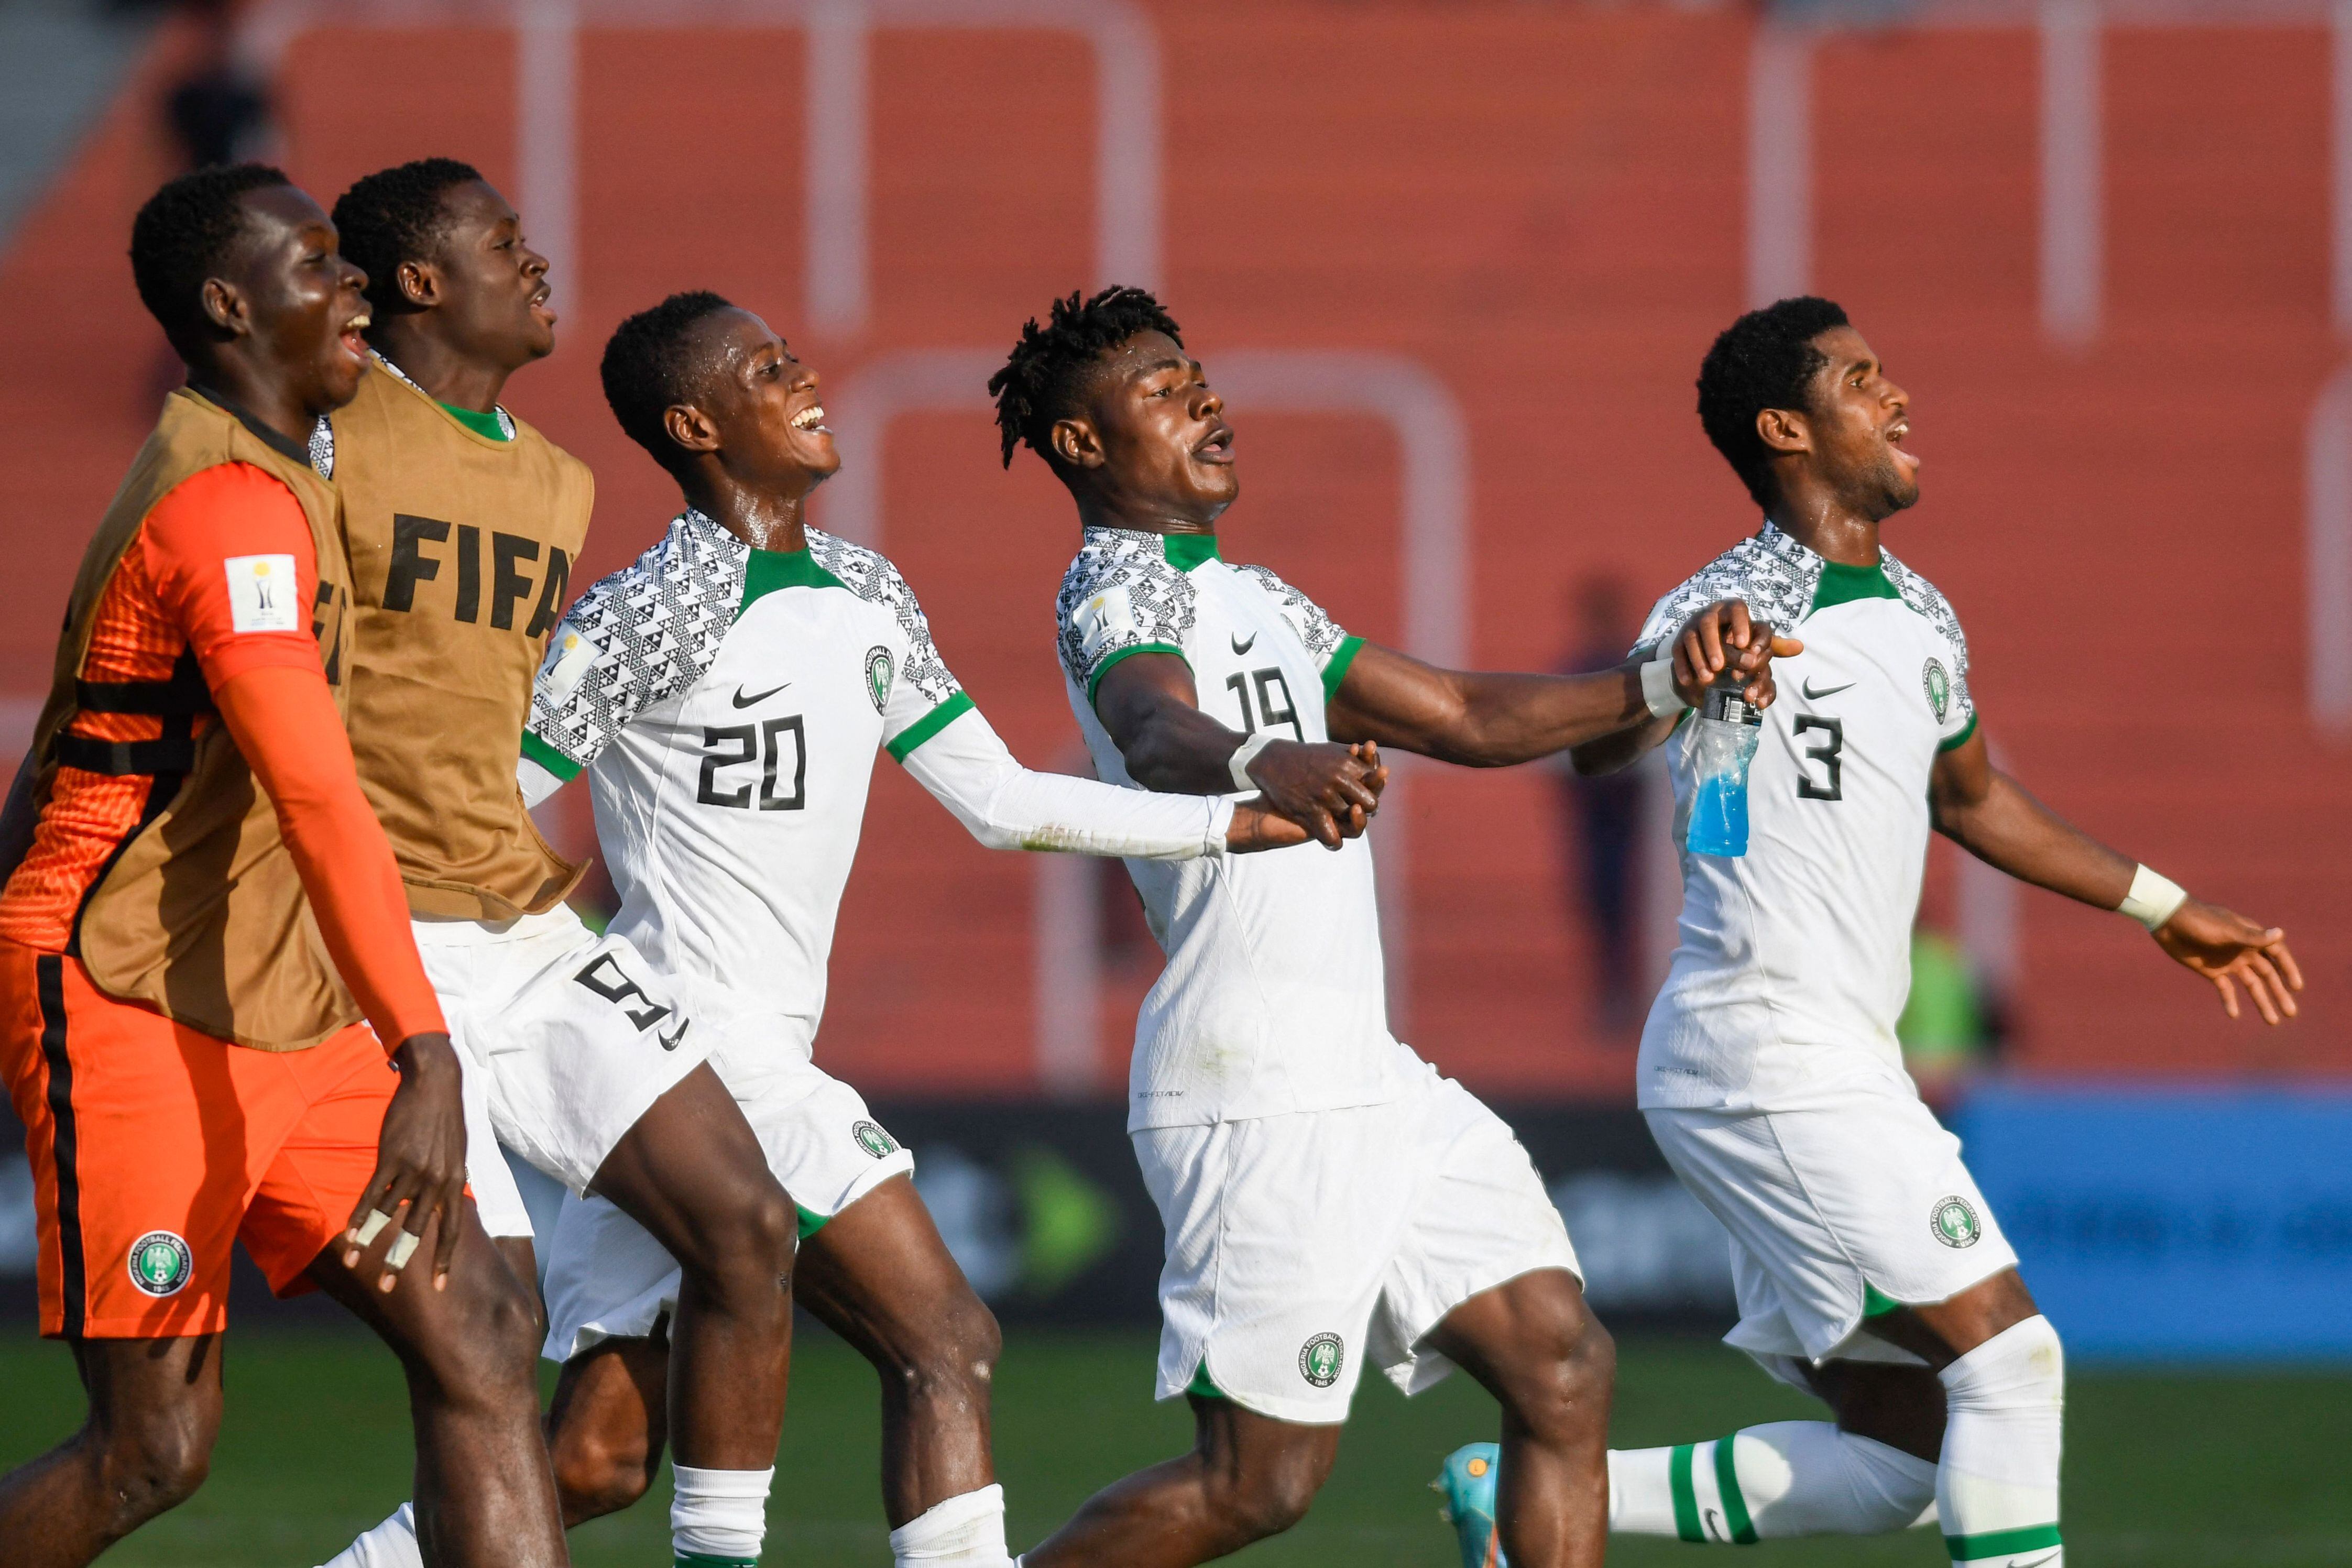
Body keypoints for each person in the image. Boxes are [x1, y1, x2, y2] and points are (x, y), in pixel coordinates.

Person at [510, 290, 1341, 1568]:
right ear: (694, 423)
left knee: (595, 1462)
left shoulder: (862, 588)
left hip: (729, 1052)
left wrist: (1231, 824)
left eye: (795, 355)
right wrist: (574, 982)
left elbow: (1001, 803)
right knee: (944, 1339)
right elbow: (478, 808)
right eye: (767, 369)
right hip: (699, 1046)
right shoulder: (640, 615)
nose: (807, 378)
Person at [988, 284, 1792, 1568]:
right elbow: (1151, 729)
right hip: (1253, 1086)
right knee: (1258, 1485)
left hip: (1365, 1073)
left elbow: (1462, 717)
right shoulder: (1115, 589)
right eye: (1158, 385)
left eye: (1196, 371)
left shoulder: (1258, 595)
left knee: (1562, 1363)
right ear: (1084, 446)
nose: (1202, 395)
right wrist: (1266, 758)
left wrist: (1659, 683)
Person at [1491, 296, 2300, 1567]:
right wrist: (1670, 677)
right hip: (1761, 1042)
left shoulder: (1923, 616)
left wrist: (2159, 905)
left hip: (1834, 1059)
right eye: (1863, 380)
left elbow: (1972, 798)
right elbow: (1602, 742)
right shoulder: (1729, 598)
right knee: (2012, 1359)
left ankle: (1519, 1495)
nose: (1899, 397)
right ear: (1786, 429)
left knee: (1906, 1462)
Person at [0, 164, 563, 1568]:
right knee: (155, 1451)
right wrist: (425, 1050)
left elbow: (64, 743)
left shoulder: (285, 471)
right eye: (319, 267)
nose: (355, 287)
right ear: (227, 306)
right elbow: (316, 792)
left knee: (484, 1328)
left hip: (281, 994)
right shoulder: (225, 509)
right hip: (134, 992)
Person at [303, 164, 795, 1568]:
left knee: (746, 1223)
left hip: (521, 932)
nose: (537, 262)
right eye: (500, 244)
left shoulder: (556, 480)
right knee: (491, 1335)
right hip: (376, 940)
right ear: (417, 281)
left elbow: (476, 715)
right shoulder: (327, 441)